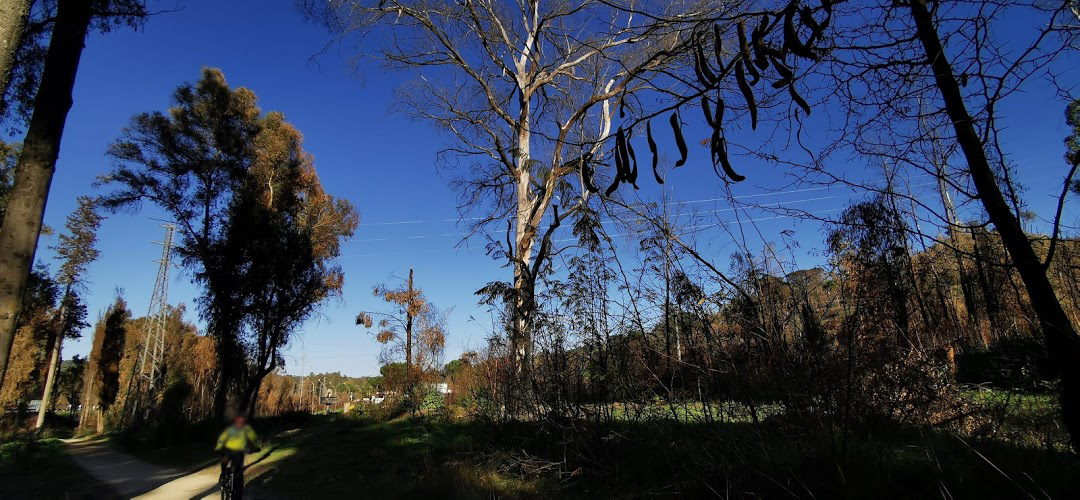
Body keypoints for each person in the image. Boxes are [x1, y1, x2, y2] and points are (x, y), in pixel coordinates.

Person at [215, 413, 260, 497]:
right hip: (230, 450)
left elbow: (253, 439)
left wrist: (255, 447)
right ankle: (224, 475)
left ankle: (239, 486)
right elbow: (222, 439)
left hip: (240, 452)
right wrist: (219, 447)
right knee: (224, 460)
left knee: (239, 469)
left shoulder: (247, 429)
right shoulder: (231, 429)